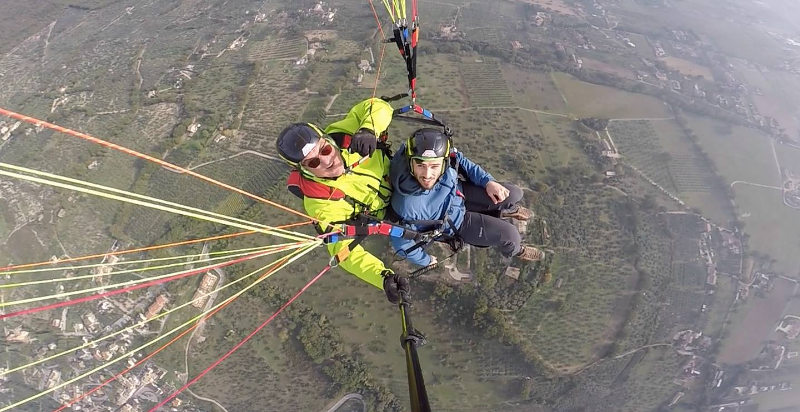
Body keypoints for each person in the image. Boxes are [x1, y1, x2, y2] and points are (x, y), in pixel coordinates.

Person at [276, 98, 408, 303]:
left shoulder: (344, 133)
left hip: (402, 175)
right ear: (303, 170)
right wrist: (382, 277)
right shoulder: (319, 202)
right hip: (393, 212)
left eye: (325, 150)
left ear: (327, 139)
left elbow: (378, 106)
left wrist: (368, 129)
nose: (326, 160)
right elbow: (342, 251)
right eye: (313, 162)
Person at [389, 127, 543, 267]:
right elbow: (402, 243)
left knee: (515, 193)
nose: (428, 175)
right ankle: (518, 251)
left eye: (434, 166)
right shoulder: (406, 205)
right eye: (421, 166)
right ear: (410, 163)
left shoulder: (441, 153)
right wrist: (426, 261)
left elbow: (461, 160)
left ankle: (505, 210)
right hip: (455, 223)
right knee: (511, 236)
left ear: (443, 162)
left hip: (460, 193)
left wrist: (487, 181)